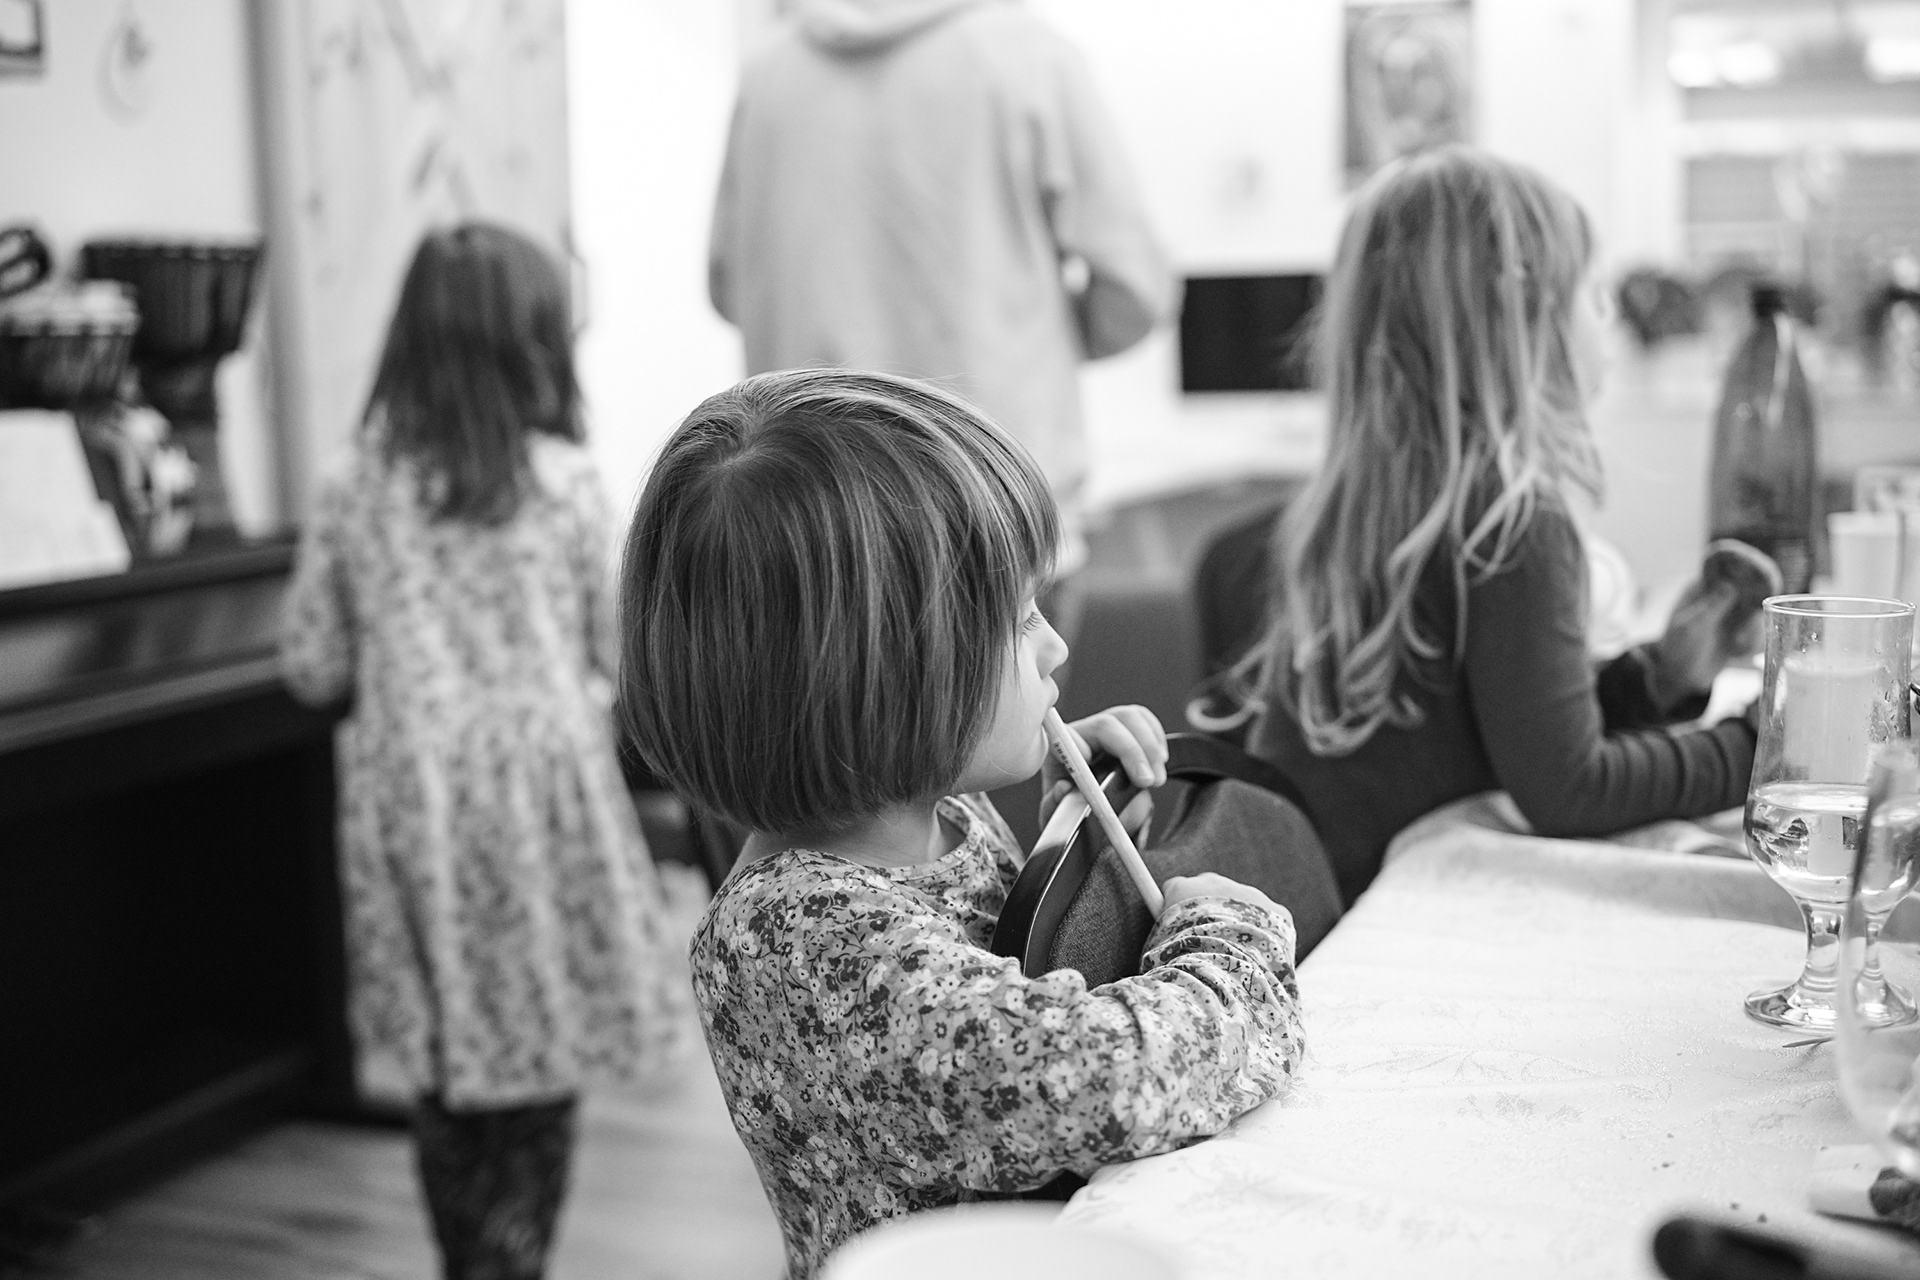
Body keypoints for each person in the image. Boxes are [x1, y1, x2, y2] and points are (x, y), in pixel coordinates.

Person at [617, 368, 1304, 1279]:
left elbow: (1001, 984)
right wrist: (1230, 940)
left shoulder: (936, 807)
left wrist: (1075, 842)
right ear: (888, 681)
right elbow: (1114, 1083)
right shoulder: (802, 937)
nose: (1056, 647)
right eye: (1020, 622)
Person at [280, 223, 682, 1280]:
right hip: (541, 806)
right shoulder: (565, 481)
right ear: (535, 341)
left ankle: (473, 1259)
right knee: (541, 1045)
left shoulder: (353, 483)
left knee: (449, 1056)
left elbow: (313, 662)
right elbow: (620, 653)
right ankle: (518, 1254)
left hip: (414, 806)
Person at [1232, 147, 1758, 907]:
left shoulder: (1377, 505)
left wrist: (1658, 680)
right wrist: (1762, 750)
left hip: (1311, 898)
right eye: (1594, 294)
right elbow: (1568, 789)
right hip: (1381, 920)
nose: (1609, 319)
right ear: (1523, 321)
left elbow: (1511, 731)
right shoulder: (1515, 525)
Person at [707, 0, 1174, 644]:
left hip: (814, 524)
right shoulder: (1028, 53)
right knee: (1020, 711)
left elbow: (728, 285)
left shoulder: (768, 71)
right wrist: (1024, 330)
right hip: (996, 506)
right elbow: (1136, 288)